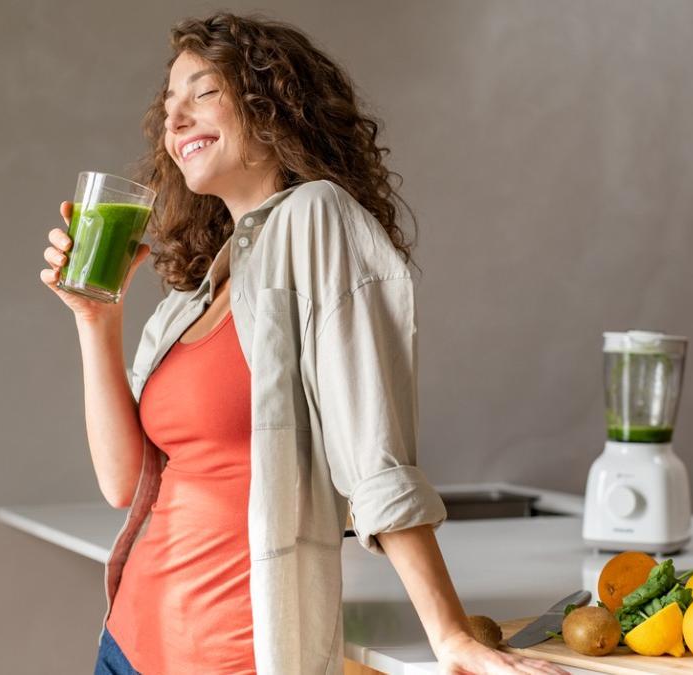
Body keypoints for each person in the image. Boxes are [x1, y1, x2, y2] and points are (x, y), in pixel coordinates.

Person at [39, 10, 571, 675]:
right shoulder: (196, 291)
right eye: (169, 104)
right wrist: (96, 318)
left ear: (273, 107)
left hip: (233, 656)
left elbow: (373, 447)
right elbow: (124, 482)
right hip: (124, 643)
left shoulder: (318, 220)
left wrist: (450, 632)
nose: (175, 120)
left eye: (202, 91)